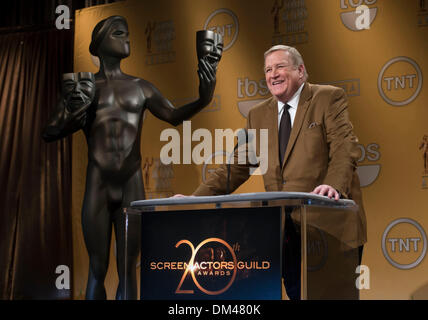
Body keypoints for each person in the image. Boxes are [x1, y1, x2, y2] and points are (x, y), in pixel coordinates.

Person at [42, 16, 222, 300]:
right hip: (98, 184)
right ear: (99, 44)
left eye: (127, 32)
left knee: (128, 269)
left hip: (131, 183)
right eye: (119, 33)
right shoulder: (85, 88)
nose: (127, 37)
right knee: (97, 269)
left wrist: (204, 98)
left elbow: (173, 116)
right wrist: (73, 112)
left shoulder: (141, 87)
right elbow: (49, 131)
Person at [190, 45, 367, 300]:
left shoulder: (328, 98)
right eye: (268, 70)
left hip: (330, 227)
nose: (273, 74)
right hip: (286, 231)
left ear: (301, 71)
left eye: (280, 67)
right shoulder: (257, 115)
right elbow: (236, 166)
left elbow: (344, 148)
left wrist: (333, 186)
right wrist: (196, 199)